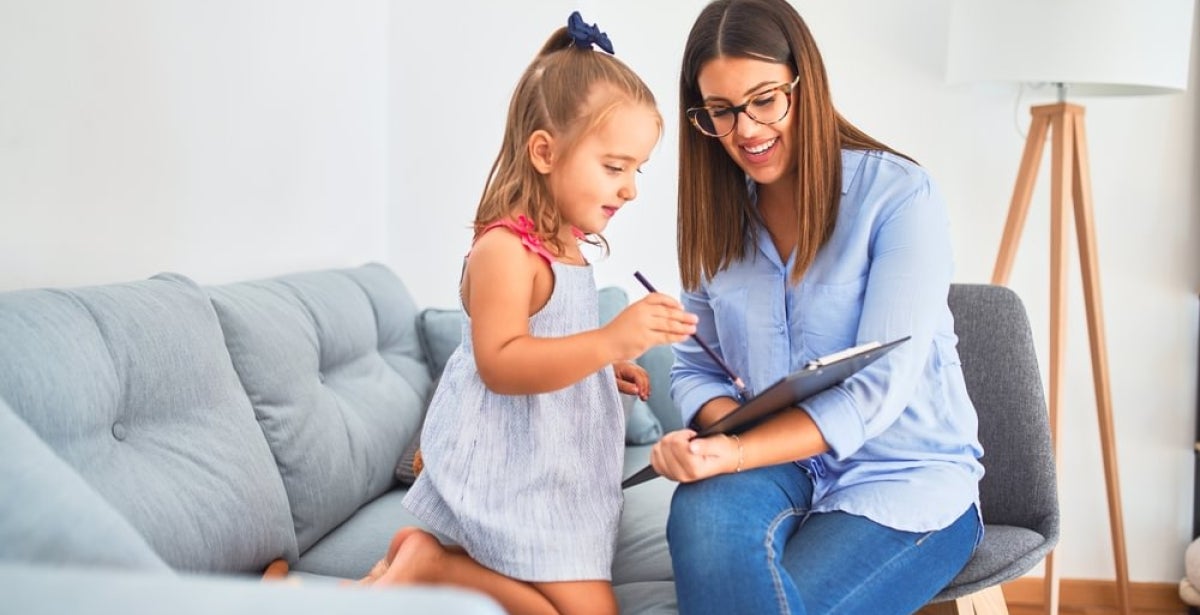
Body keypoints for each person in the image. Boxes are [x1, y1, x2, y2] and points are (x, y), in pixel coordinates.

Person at [649, 1, 985, 613]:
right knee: (699, 507)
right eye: (721, 112)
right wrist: (717, 439)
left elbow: (878, 385)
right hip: (781, 469)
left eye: (764, 99)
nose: (746, 130)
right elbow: (696, 369)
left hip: (903, 481)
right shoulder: (715, 220)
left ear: (804, 83)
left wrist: (741, 449)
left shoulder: (899, 198)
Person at [357, 12, 698, 615]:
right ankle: (433, 565)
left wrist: (600, 371)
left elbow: (549, 340)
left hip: (554, 472)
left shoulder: (564, 243)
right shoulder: (505, 251)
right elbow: (501, 363)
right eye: (615, 167)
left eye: (636, 170)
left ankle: (426, 566)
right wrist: (608, 341)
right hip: (513, 474)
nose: (630, 189)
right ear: (545, 150)